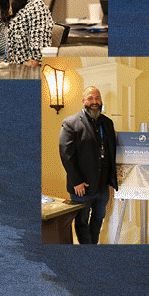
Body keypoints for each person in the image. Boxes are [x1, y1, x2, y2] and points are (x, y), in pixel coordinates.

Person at [58, 86, 116, 244]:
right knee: (82, 223)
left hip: (102, 187)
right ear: (83, 101)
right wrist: (76, 181)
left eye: (97, 98)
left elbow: (110, 151)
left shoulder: (108, 123)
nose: (94, 102)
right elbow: (66, 154)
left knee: (98, 220)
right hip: (81, 187)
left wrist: (111, 179)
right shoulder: (71, 123)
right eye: (90, 98)